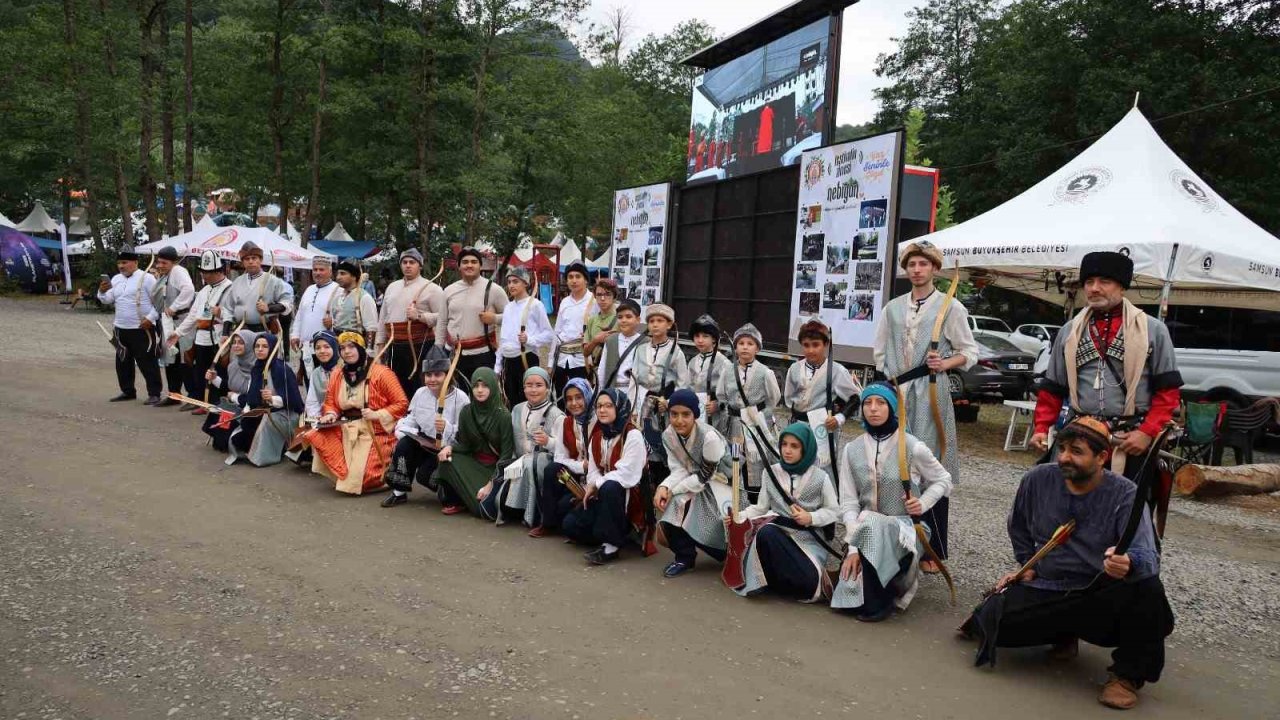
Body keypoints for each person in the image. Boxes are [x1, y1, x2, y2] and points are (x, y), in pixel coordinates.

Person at [960, 417, 1174, 711]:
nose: (1064, 457)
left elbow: (1148, 557)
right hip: (1049, 585)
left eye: (1076, 451)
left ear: (1102, 457)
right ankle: (1062, 633)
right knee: (994, 624)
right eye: (1061, 448)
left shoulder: (1125, 494)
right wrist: (1027, 564)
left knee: (1148, 591)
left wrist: (1128, 563)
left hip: (1099, 590)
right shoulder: (1038, 479)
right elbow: (1018, 525)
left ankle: (1126, 676)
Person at [1030, 251, 1183, 487]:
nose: (1094, 288)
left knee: (1124, 515)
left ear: (1121, 286)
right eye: (1089, 282)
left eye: (1104, 281)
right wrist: (1041, 427)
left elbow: (1168, 392)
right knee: (1065, 505)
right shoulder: (1069, 331)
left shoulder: (1153, 330)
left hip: (1130, 440)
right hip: (1078, 437)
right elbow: (1052, 388)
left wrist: (1146, 432)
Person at [874, 240, 977, 572]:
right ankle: (897, 539)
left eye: (923, 264)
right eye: (912, 265)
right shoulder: (892, 308)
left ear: (934, 268)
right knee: (894, 464)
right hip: (896, 393)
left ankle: (934, 549)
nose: (917, 270)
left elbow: (969, 352)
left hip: (931, 393)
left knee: (932, 466)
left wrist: (945, 364)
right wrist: (887, 387)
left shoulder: (951, 307)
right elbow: (880, 352)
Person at [831, 383, 952, 621]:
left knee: (874, 529)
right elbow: (848, 503)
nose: (873, 409)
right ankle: (877, 585)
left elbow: (944, 480)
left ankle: (881, 601)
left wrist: (923, 503)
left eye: (881, 403)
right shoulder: (851, 450)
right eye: (867, 403)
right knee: (846, 599)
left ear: (893, 407)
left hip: (906, 529)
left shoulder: (912, 446)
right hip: (865, 530)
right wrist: (853, 548)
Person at [731, 422, 840, 602]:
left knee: (810, 583)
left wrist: (810, 517)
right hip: (779, 536)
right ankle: (774, 580)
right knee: (767, 532)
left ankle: (783, 581)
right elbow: (760, 508)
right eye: (784, 445)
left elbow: (834, 511)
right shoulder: (770, 473)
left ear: (806, 449)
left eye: (794, 446)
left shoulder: (821, 477)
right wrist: (738, 517)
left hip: (808, 543)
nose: (787, 450)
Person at [307, 332, 409, 495]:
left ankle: (387, 471)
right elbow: (330, 402)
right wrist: (331, 413)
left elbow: (402, 403)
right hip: (347, 426)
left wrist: (379, 413)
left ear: (361, 349)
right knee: (318, 435)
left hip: (374, 431)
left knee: (362, 478)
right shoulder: (337, 373)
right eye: (342, 348)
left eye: (351, 347)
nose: (347, 352)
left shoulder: (382, 373)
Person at [654, 389, 736, 578]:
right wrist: (664, 487)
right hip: (695, 481)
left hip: (722, 486)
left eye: (686, 414)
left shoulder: (709, 438)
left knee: (679, 503)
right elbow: (679, 468)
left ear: (695, 415)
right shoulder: (669, 435)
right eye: (674, 414)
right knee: (672, 506)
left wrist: (672, 490)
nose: (679, 420)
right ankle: (684, 557)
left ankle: (721, 550)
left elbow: (704, 476)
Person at [562, 388, 648, 565]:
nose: (602, 410)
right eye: (599, 406)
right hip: (604, 495)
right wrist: (594, 484)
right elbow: (593, 469)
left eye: (608, 406)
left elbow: (627, 474)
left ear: (620, 408)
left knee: (611, 485)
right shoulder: (599, 436)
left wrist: (596, 484)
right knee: (570, 525)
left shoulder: (633, 435)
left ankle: (612, 545)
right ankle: (616, 532)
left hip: (629, 498)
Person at [382, 346, 470, 507]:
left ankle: (453, 491)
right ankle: (398, 492)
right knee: (403, 446)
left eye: (438, 374)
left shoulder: (461, 398)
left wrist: (447, 427)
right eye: (428, 375)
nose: (432, 379)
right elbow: (412, 418)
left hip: (448, 449)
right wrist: (403, 429)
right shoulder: (420, 393)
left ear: (448, 375)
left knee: (425, 476)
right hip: (426, 443)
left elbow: (467, 433)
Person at [479, 366, 563, 525]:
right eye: (529, 385)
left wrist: (548, 442)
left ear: (547, 388)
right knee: (500, 501)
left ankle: (533, 513)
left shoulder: (556, 415)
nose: (533, 390)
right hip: (516, 465)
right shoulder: (517, 410)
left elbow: (567, 448)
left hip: (542, 468)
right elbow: (510, 444)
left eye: (539, 385)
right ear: (523, 387)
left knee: (531, 461)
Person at [784, 318, 861, 482]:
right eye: (806, 345)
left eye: (815, 344)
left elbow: (855, 398)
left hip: (822, 427)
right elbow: (789, 398)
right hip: (797, 425)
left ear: (825, 345)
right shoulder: (794, 369)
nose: (811, 350)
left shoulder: (837, 370)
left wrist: (839, 418)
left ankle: (828, 506)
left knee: (823, 471)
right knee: (796, 468)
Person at [436, 367, 515, 517]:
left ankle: (472, 498)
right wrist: (449, 447)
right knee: (446, 459)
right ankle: (457, 501)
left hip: (494, 470)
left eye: (485, 386)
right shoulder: (466, 412)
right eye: (476, 386)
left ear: (493, 386)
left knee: (481, 510)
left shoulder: (503, 415)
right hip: (474, 463)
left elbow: (506, 456)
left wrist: (490, 483)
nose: (480, 390)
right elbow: (466, 446)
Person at [716, 323, 781, 501]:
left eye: (750, 343)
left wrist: (759, 416)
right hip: (734, 428)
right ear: (735, 347)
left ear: (757, 348)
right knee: (734, 463)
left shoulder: (765, 373)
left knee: (755, 465)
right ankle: (730, 503)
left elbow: (773, 398)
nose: (745, 347)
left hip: (754, 427)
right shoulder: (728, 370)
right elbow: (721, 394)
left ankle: (757, 502)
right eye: (741, 343)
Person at [226, 333, 305, 467]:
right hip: (260, 412)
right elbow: (251, 397)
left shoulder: (282, 369)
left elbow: (294, 401)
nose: (260, 349)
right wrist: (247, 410)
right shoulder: (256, 368)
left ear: (272, 348)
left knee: (262, 425)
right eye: (257, 346)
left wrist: (273, 398)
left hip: (283, 415)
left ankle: (273, 451)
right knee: (236, 431)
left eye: (264, 346)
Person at [97, 245, 162, 404]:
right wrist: (101, 291)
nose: (121, 266)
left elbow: (159, 301)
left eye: (124, 262)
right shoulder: (116, 279)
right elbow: (107, 300)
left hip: (142, 328)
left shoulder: (147, 278)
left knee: (147, 361)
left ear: (135, 262)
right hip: (120, 328)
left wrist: (150, 318)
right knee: (122, 361)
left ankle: (154, 393)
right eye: (119, 263)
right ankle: (127, 391)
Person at [170, 250, 233, 412]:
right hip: (201, 337)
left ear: (219, 271)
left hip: (219, 336)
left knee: (219, 371)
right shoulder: (204, 291)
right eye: (203, 272)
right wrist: (178, 333)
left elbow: (233, 314)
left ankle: (220, 403)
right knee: (201, 371)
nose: (204, 276)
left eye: (208, 273)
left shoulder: (230, 289)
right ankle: (204, 402)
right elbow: (192, 316)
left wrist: (220, 315)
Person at [377, 248, 444, 399]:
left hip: (420, 347)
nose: (408, 265)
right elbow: (383, 319)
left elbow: (444, 317)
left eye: (412, 262)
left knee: (419, 387)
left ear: (419, 265)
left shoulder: (432, 288)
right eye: (404, 262)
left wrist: (419, 316)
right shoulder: (392, 287)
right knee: (394, 387)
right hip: (394, 346)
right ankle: (399, 419)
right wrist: (379, 345)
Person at [532, 378, 594, 538]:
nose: (574, 403)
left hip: (595, 482)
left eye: (579, 397)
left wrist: (589, 468)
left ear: (588, 396)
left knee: (566, 514)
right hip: (574, 477)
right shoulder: (566, 423)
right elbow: (559, 458)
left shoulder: (599, 422)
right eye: (569, 399)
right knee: (552, 469)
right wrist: (581, 466)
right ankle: (547, 523)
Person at [630, 303, 690, 463]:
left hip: (664, 406)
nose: (655, 324)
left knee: (664, 445)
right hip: (642, 403)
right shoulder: (640, 349)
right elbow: (633, 379)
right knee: (641, 443)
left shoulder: (676, 351)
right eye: (651, 321)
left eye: (660, 321)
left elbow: (683, 383)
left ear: (669, 324)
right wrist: (633, 408)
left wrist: (670, 402)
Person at [495, 266, 553, 405]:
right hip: (508, 361)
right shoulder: (508, 307)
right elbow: (503, 339)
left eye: (515, 281)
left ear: (526, 283)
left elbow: (549, 334)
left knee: (528, 400)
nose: (511, 285)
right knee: (511, 400)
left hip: (526, 358)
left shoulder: (535, 305)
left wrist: (529, 339)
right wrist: (498, 365)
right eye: (509, 282)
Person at [148, 246, 196, 407]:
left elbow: (189, 290)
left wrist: (174, 307)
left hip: (181, 319)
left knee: (185, 359)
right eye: (159, 262)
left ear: (173, 262)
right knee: (170, 358)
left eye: (164, 262)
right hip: (169, 321)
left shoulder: (178, 271)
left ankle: (192, 396)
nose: (160, 265)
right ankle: (174, 394)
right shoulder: (167, 274)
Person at [221, 241, 294, 335]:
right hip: (240, 334)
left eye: (254, 258)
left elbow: (287, 303)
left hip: (264, 334)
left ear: (261, 260)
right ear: (243, 262)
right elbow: (228, 309)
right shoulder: (237, 282)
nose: (251, 261)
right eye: (247, 259)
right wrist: (225, 334)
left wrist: (269, 308)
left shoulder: (273, 281)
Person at [290, 256, 341, 382]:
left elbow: (344, 318)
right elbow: (300, 315)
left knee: (326, 384)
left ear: (330, 272)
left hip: (326, 348)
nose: (317, 273)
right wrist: (295, 335)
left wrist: (333, 322)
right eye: (315, 270)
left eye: (321, 270)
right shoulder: (309, 290)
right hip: (306, 348)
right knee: (309, 381)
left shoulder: (338, 290)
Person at [550, 261, 595, 397]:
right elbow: (557, 332)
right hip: (562, 359)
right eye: (570, 277)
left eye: (578, 276)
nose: (574, 281)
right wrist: (550, 362)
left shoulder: (594, 301)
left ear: (586, 280)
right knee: (561, 396)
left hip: (583, 360)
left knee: (582, 397)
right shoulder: (565, 302)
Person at [687, 314, 732, 434]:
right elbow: (688, 388)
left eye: (705, 336)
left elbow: (732, 393)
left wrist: (718, 405)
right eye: (697, 336)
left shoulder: (723, 363)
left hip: (716, 416)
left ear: (714, 339)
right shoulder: (692, 362)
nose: (700, 340)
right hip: (697, 413)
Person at [596, 298, 646, 397]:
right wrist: (599, 393)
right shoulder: (611, 340)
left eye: (628, 317)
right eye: (620, 317)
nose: (624, 320)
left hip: (635, 393)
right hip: (612, 391)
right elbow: (602, 370)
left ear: (638, 320)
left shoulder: (646, 342)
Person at [325, 260, 379, 343]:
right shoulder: (337, 297)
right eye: (338, 274)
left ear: (354, 276)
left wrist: (369, 352)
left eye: (343, 273)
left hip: (356, 346)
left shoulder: (364, 297)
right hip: (338, 346)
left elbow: (371, 328)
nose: (338, 277)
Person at [582, 277, 619, 379]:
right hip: (596, 373)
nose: (602, 298)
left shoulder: (622, 319)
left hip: (616, 372)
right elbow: (585, 352)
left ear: (614, 297)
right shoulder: (592, 320)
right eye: (599, 295)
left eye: (607, 294)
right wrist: (595, 340)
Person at [303, 331, 340, 418]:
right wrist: (317, 418)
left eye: (327, 347)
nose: (322, 351)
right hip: (324, 419)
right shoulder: (316, 373)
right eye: (318, 348)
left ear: (335, 348)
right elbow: (312, 402)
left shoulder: (344, 370)